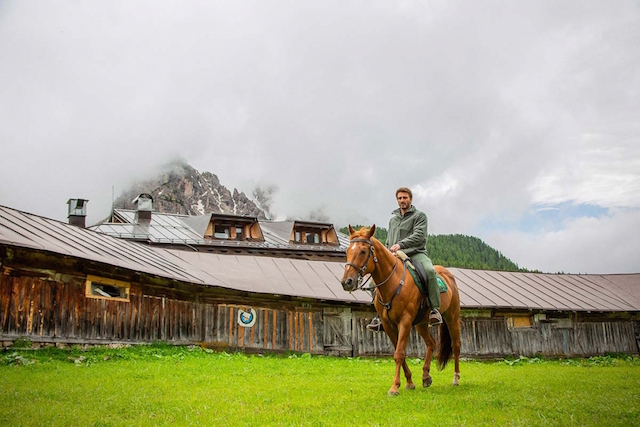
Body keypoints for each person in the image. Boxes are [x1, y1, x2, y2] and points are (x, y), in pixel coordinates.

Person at [367, 187, 442, 331]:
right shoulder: (393, 219)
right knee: (373, 283)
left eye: (405, 198)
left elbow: (419, 236)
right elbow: (389, 240)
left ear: (410, 199)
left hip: (416, 252)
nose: (402, 200)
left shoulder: (420, 216)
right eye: (400, 198)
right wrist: (388, 252)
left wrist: (401, 245)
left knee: (430, 271)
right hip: (395, 255)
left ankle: (434, 310)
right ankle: (380, 316)